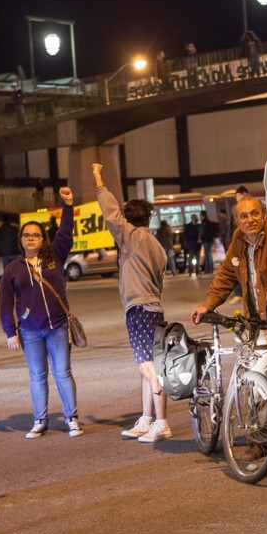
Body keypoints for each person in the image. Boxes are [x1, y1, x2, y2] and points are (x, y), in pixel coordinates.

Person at [192, 196, 267, 459]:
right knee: (257, 383)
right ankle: (260, 441)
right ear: (236, 219)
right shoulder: (239, 239)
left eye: (255, 214)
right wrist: (207, 304)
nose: (250, 220)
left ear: (264, 214)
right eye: (243, 216)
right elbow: (225, 275)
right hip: (258, 327)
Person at [93, 163, 171, 443]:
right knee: (147, 367)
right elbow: (161, 282)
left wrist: (99, 179)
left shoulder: (129, 238)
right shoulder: (156, 245)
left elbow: (110, 211)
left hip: (139, 310)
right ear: (149, 218)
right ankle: (147, 419)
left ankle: (161, 423)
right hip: (154, 308)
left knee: (149, 369)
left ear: (129, 218)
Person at [0, 187, 82, 439]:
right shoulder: (13, 268)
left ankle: (72, 419)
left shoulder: (55, 256)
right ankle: (40, 421)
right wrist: (10, 332)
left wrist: (68, 204)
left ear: (43, 239)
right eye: (27, 235)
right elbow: (5, 302)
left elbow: (66, 232)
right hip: (30, 331)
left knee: (63, 373)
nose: (31, 238)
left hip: (57, 327)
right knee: (37, 376)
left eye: (36, 235)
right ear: (21, 240)